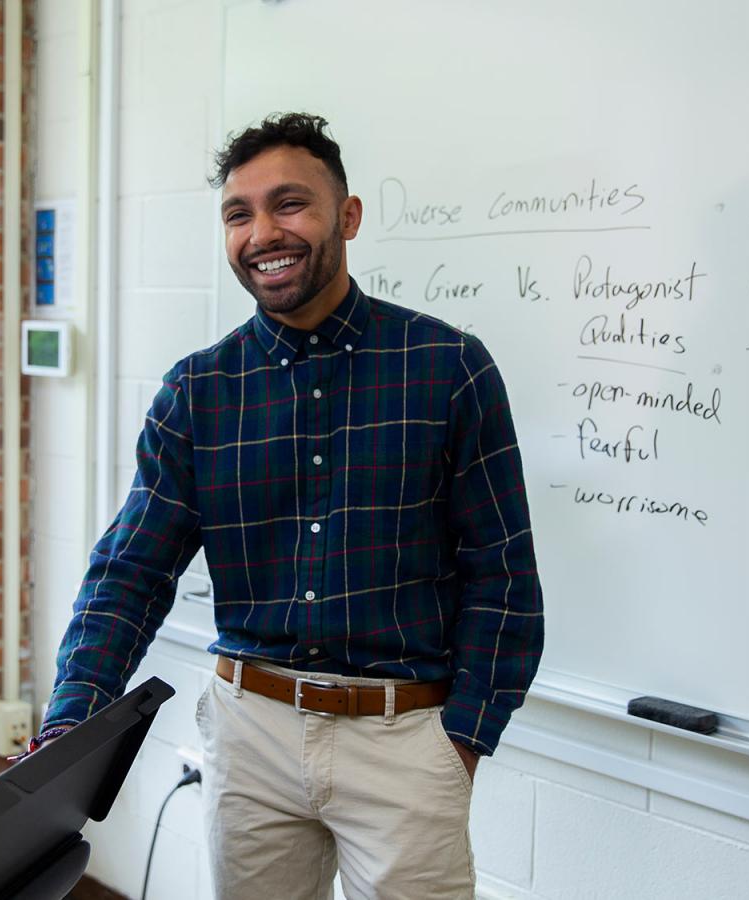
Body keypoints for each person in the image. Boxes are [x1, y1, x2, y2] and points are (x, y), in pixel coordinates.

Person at [32, 112, 543, 899]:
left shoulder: (449, 367)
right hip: (251, 738)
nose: (263, 231)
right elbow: (130, 573)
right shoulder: (197, 392)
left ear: (348, 216)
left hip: (405, 739)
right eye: (239, 214)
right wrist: (70, 725)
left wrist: (463, 741)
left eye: (289, 204)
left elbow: (501, 576)